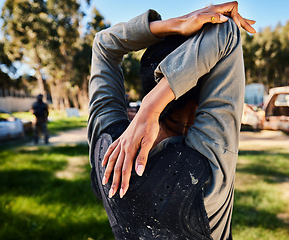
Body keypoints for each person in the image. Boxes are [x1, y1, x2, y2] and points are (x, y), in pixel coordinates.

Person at [88, 2, 255, 239]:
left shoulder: (106, 148)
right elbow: (225, 30)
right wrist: (152, 105)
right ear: (206, 96)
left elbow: (104, 45)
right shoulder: (206, 171)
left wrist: (176, 25)